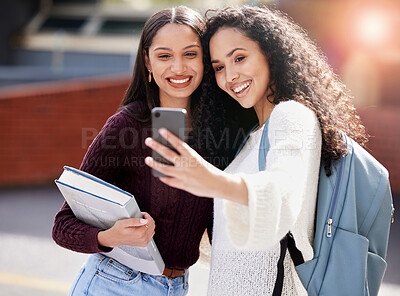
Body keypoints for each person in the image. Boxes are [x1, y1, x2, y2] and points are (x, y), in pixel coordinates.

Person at [144, 6, 369, 296]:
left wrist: (214, 182)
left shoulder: (292, 116)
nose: (230, 77)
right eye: (219, 67)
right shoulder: (251, 136)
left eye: (239, 58)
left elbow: (281, 189)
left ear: (270, 54)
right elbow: (234, 245)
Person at [52, 6, 227, 296]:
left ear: (206, 59)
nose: (179, 68)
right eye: (164, 56)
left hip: (177, 286)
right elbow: (62, 225)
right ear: (147, 60)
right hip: (115, 283)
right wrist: (110, 236)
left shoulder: (220, 131)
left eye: (190, 54)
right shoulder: (126, 125)